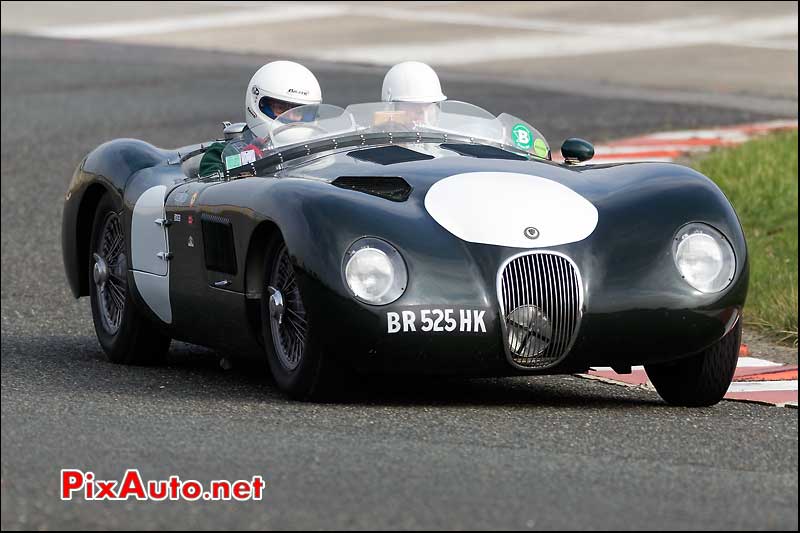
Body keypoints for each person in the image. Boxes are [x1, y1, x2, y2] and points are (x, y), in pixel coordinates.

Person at [198, 60, 323, 176]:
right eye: (281, 108)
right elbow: (211, 187)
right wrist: (248, 164)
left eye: (299, 111)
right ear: (259, 104)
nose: (290, 116)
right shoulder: (222, 154)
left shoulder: (321, 150)